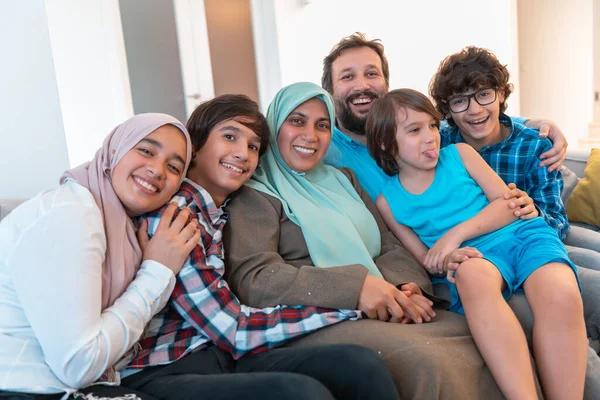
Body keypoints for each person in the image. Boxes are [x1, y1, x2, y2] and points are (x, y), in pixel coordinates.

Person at [319, 32, 600, 396]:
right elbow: (425, 256)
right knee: (501, 288)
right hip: (472, 255)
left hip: (524, 229)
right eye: (348, 76)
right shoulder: (328, 150)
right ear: (329, 91)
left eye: (371, 73)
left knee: (573, 282)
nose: (362, 84)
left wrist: (539, 125)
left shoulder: (448, 144)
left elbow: (473, 118)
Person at [223, 82, 534, 399]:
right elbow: (256, 279)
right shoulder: (253, 194)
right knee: (426, 360)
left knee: (479, 336)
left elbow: (389, 244)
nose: (311, 135)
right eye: (297, 121)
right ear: (275, 124)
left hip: (389, 302)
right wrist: (359, 288)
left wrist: (405, 287)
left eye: (323, 125)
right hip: (319, 316)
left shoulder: (343, 179)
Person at [118, 94, 400, 400]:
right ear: (194, 147)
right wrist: (351, 304)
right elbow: (232, 329)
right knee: (299, 393)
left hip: (219, 356)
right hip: (166, 368)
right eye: (230, 137)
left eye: (253, 146)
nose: (242, 154)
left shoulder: (221, 212)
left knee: (360, 365)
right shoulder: (177, 217)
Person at [368, 88, 587, 400]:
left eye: (432, 125)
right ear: (386, 144)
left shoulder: (461, 155)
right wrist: (449, 254)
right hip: (473, 259)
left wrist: (455, 235)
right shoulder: (388, 202)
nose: (430, 137)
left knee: (561, 292)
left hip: (522, 235)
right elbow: (426, 259)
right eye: (414, 131)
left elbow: (508, 205)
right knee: (471, 276)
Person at [0, 114, 200, 398]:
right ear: (114, 150)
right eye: (145, 150)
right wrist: (156, 271)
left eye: (173, 167)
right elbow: (79, 365)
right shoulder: (70, 214)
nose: (157, 170)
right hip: (24, 390)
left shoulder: (122, 227)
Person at [429, 45, 600, 272]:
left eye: (484, 95)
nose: (475, 110)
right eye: (460, 101)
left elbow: (558, 223)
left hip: (530, 236)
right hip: (481, 252)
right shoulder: (438, 142)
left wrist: (534, 212)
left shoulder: (534, 145)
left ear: (500, 93)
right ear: (446, 108)